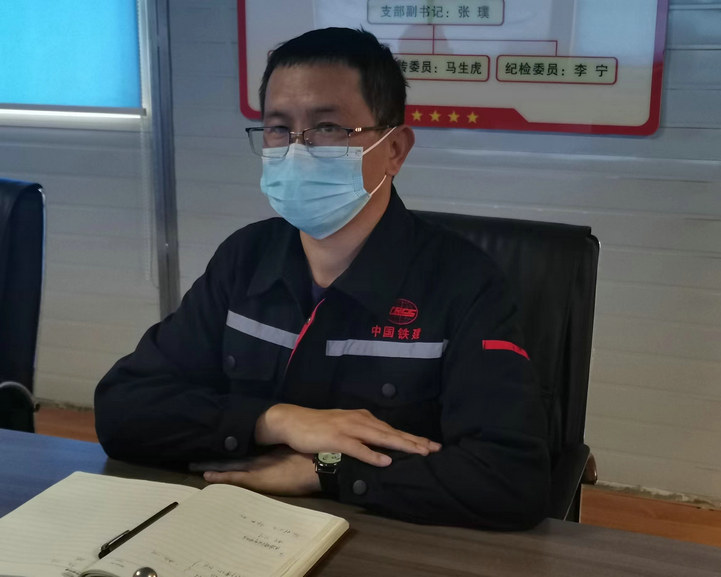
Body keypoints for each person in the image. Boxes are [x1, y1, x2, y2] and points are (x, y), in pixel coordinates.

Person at [95, 27, 550, 530]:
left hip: (388, 541)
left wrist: (326, 470)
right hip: (237, 526)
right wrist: (273, 420)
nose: (296, 150)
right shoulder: (244, 259)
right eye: (278, 129)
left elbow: (512, 477)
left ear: (395, 149)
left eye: (327, 128)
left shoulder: (464, 283)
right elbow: (124, 408)